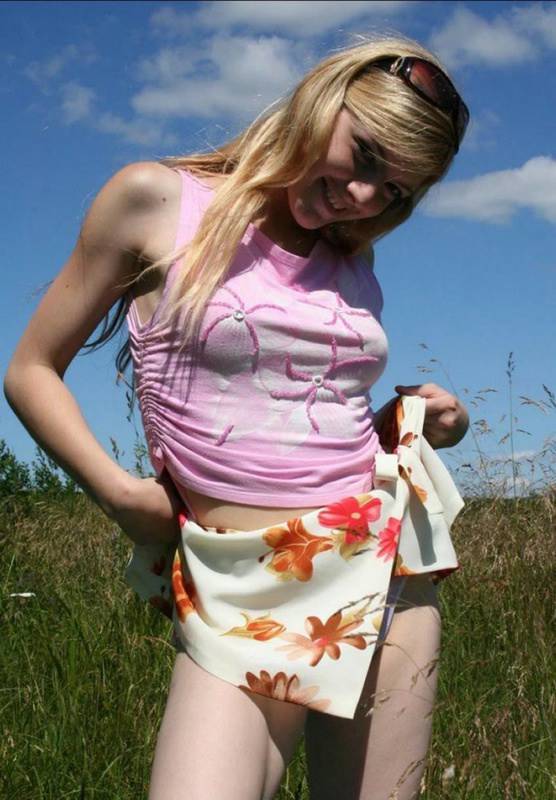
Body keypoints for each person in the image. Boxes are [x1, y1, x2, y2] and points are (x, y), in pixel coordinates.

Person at [5, 33, 470, 800]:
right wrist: (120, 497)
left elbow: (311, 408)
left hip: (377, 567)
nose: (362, 197)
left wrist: (416, 417)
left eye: (394, 191)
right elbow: (29, 369)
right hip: (236, 588)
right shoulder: (156, 200)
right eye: (364, 154)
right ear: (322, 98)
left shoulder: (352, 257)